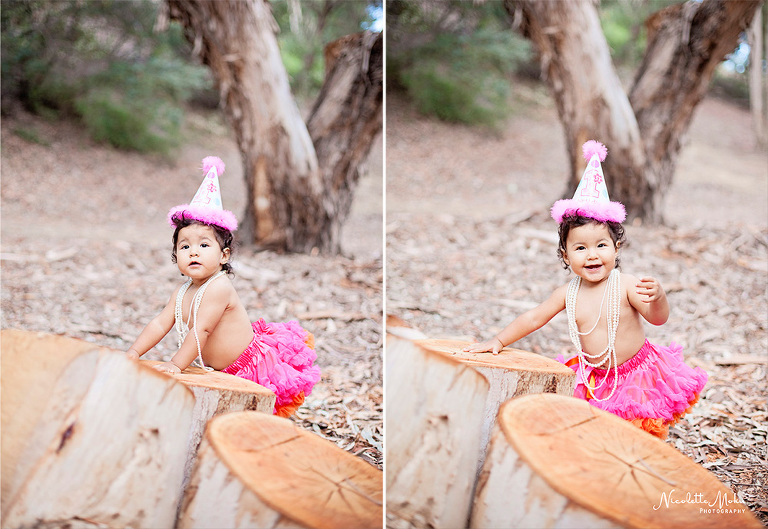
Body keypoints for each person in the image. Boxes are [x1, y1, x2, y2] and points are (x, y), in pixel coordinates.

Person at [464, 141, 707, 438]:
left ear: (616, 248)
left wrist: (659, 298)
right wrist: (498, 340)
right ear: (565, 255)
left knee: (635, 435)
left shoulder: (625, 285)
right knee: (590, 435)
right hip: (594, 378)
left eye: (601, 245)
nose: (592, 255)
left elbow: (657, 319)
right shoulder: (567, 293)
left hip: (636, 376)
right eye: (580, 248)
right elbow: (534, 317)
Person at [126, 156, 320, 417]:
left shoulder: (219, 287)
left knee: (247, 420)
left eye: (204, 245)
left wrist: (176, 364)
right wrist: (134, 351)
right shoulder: (182, 292)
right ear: (176, 255)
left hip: (248, 366)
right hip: (221, 369)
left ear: (223, 255)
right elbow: (160, 324)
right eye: (185, 246)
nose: (194, 251)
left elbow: (202, 329)